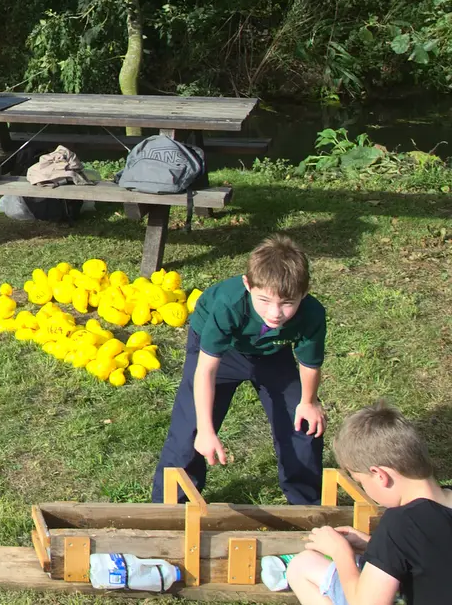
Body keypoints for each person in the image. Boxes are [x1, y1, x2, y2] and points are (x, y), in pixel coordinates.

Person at [151, 234, 327, 505]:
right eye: (264, 300)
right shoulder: (228, 305)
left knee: (303, 424)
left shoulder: (312, 314)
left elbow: (309, 364)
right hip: (222, 350)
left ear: (304, 293)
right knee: (191, 430)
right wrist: (207, 431)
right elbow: (206, 371)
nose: (275, 313)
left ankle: (305, 506)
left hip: (272, 352)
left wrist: (308, 401)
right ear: (248, 285)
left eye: (287, 303)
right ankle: (168, 509)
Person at [286, 401, 452, 605]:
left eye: (361, 482)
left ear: (379, 475)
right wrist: (374, 545)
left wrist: (341, 553)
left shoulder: (400, 523)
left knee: (301, 566)